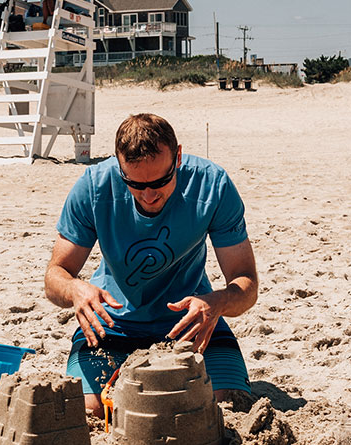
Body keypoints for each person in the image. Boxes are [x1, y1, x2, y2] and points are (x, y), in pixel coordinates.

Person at [44, 113, 259, 417]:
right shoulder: (93, 186)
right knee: (90, 412)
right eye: (134, 183)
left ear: (179, 157)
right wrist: (74, 289)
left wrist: (218, 302)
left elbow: (246, 282)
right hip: (111, 326)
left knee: (226, 406)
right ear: (119, 166)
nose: (149, 195)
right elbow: (55, 276)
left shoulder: (212, 185)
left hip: (190, 327)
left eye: (160, 180)